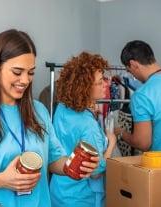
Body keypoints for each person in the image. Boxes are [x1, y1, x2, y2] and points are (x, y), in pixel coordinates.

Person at [0, 29, 99, 207]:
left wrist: (74, 166)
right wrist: (2, 180)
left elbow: (54, 160)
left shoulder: (39, 111)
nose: (25, 80)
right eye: (17, 72)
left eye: (31, 72)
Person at [49, 52, 117, 207]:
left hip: (58, 191)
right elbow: (95, 172)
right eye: (100, 82)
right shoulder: (89, 126)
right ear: (85, 88)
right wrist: (111, 142)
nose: (106, 84)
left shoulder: (62, 107)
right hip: (81, 198)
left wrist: (90, 111)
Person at [115, 40, 161, 151]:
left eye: (129, 71)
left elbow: (143, 143)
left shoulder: (141, 95)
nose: (132, 76)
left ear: (133, 64)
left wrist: (120, 132)